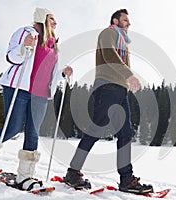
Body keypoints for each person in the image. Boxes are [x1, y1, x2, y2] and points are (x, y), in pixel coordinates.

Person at [0, 8, 72, 191]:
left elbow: (49, 73)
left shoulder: (54, 46)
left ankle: (25, 177)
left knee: (33, 133)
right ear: (41, 19)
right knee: (12, 128)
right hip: (19, 87)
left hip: (40, 94)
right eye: (52, 19)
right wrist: (24, 47)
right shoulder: (26, 33)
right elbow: (11, 57)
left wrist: (62, 73)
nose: (55, 23)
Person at [63, 9, 154, 194]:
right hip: (106, 87)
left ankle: (126, 179)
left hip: (121, 90)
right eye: (125, 19)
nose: (129, 23)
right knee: (97, 129)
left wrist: (126, 81)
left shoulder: (123, 41)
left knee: (126, 133)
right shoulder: (109, 33)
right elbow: (109, 55)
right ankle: (73, 172)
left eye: (129, 20)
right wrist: (130, 75)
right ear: (116, 20)